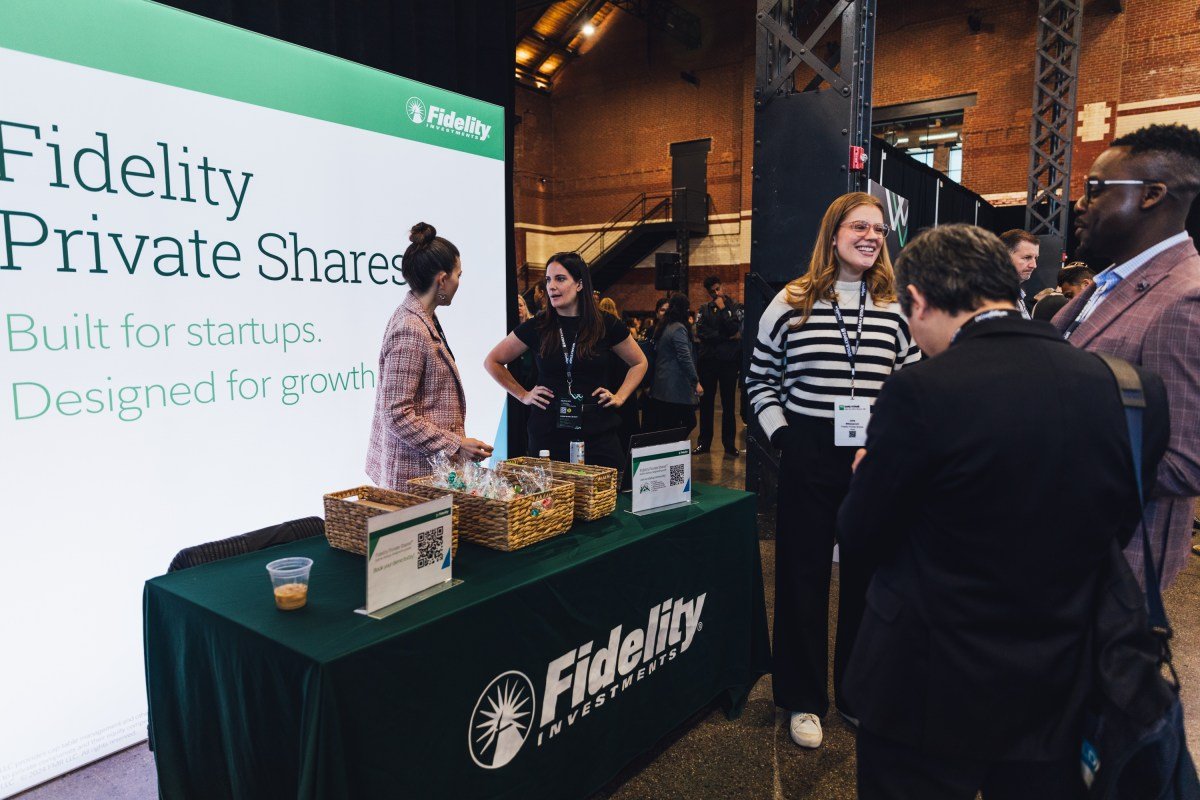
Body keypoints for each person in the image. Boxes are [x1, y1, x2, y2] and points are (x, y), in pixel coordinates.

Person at [838, 223, 1169, 800]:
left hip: (926, 687)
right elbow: (1116, 523)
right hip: (1062, 684)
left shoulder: (921, 391)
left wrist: (869, 474)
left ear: (918, 300)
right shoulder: (1132, 390)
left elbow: (861, 535)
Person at [745, 191, 920, 750]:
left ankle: (856, 693)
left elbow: (911, 382)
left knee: (868, 581)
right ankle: (803, 699)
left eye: (878, 229)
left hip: (873, 455)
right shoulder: (791, 301)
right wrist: (785, 437)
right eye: (859, 226)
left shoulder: (895, 306)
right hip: (810, 449)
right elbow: (759, 380)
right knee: (802, 576)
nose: (871, 237)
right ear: (833, 232)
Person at [1053, 123, 1200, 589]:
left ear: (1152, 194)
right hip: (1063, 551)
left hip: (1113, 566)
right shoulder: (1108, 283)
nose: (1080, 204)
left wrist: (1041, 449)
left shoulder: (1186, 298)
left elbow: (1185, 462)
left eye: (1095, 189)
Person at [484, 252, 647, 469]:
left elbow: (639, 362)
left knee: (605, 489)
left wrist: (620, 396)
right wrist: (523, 395)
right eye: (548, 280)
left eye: (560, 279)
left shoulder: (605, 324)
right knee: (552, 491)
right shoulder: (538, 326)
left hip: (598, 432)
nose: (551, 286)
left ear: (579, 284)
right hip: (548, 433)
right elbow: (493, 361)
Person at [365, 222, 493, 489]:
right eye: (458, 275)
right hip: (413, 477)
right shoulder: (410, 328)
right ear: (442, 279)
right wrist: (456, 444)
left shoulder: (422, 318)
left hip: (428, 473)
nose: (459, 282)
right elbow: (397, 414)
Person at [694, 275, 743, 456]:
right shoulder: (704, 309)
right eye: (712, 291)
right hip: (708, 362)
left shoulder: (733, 307)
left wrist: (723, 310)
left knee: (728, 404)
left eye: (717, 289)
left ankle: (729, 444)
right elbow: (701, 332)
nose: (716, 293)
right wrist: (724, 337)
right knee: (706, 403)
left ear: (722, 287)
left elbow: (734, 329)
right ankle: (704, 443)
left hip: (728, 363)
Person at [645, 293, 703, 437]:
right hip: (674, 387)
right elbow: (685, 357)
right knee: (687, 422)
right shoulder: (678, 328)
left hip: (663, 386)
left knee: (670, 425)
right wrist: (695, 381)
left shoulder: (665, 326)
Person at [999, 229, 1040, 319]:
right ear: (1004, 257)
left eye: (1035, 258)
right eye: (1027, 257)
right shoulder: (991, 296)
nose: (1034, 265)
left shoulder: (1017, 295)